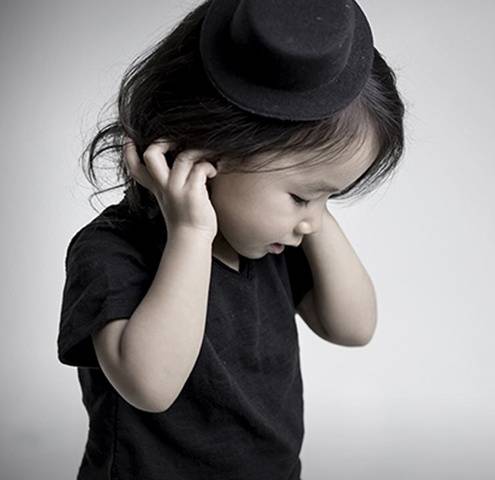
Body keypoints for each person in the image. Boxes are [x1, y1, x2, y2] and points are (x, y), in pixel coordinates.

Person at [57, 0, 405, 478]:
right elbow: (150, 386)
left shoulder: (273, 245)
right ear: (203, 155)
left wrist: (315, 203)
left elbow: (354, 327)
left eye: (331, 197)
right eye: (302, 196)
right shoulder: (111, 250)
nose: (313, 221)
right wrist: (191, 232)